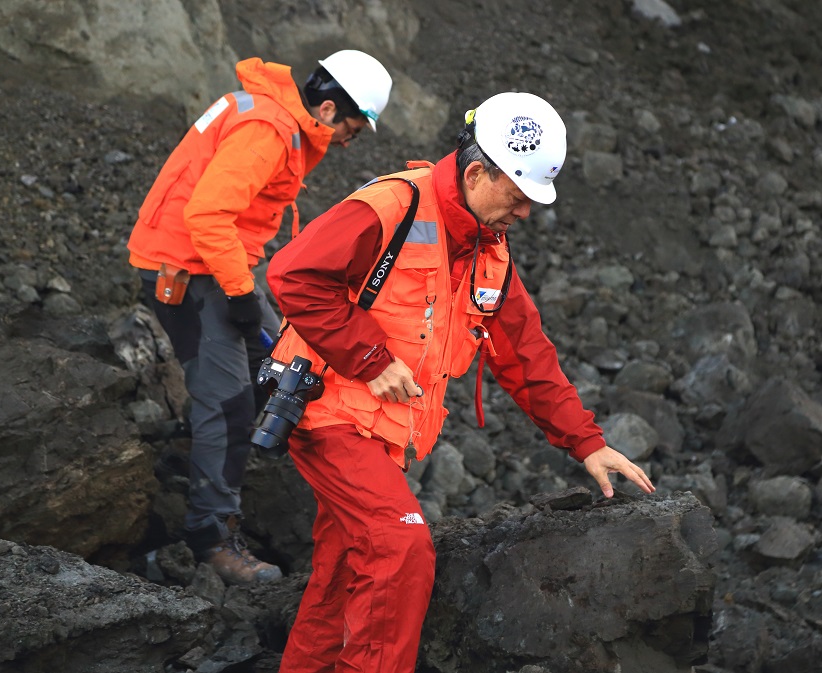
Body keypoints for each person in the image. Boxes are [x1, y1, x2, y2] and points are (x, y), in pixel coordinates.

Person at [264, 91, 657, 673]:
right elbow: (293, 274)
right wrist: (371, 358)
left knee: (346, 568)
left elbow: (526, 354)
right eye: (518, 197)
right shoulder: (391, 206)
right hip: (328, 411)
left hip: (383, 431)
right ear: (476, 174)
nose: (525, 213)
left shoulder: (488, 250)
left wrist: (587, 442)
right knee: (400, 549)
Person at [127, 50, 393, 585]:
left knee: (281, 366)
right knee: (230, 404)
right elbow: (207, 215)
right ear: (327, 109)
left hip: (211, 262)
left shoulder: (273, 117)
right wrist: (241, 296)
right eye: (352, 129)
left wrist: (244, 290)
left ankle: (198, 451)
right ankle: (211, 537)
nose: (348, 141)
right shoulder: (269, 129)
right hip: (187, 269)